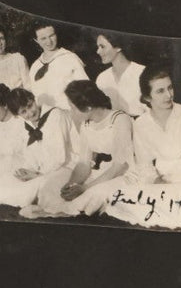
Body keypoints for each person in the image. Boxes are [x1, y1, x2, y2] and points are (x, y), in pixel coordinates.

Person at [105, 66, 181, 230]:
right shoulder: (141, 124)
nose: (169, 95)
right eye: (160, 91)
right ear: (148, 97)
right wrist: (161, 184)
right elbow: (144, 164)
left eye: (170, 87)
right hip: (163, 179)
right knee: (121, 200)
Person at [28, 80, 135, 219]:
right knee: (52, 184)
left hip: (121, 173)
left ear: (88, 107)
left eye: (73, 108)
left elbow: (120, 166)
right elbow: (84, 163)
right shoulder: (86, 125)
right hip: (99, 173)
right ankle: (54, 209)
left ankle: (62, 212)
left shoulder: (119, 119)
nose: (71, 112)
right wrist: (72, 184)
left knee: (94, 193)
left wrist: (85, 188)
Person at [0, 87, 72, 213]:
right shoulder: (28, 124)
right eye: (23, 112)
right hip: (44, 169)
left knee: (41, 186)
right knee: (7, 179)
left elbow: (59, 157)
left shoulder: (56, 115)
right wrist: (28, 170)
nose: (30, 113)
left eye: (30, 106)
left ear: (33, 99)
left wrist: (37, 175)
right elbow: (30, 153)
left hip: (65, 167)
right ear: (18, 115)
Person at [26, 22, 87, 110]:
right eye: (43, 38)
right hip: (46, 118)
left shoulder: (70, 58)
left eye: (51, 36)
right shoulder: (35, 66)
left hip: (69, 114)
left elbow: (85, 89)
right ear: (36, 40)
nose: (49, 41)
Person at [94, 33, 147, 117]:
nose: (98, 51)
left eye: (102, 47)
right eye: (98, 47)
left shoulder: (142, 72)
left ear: (118, 47)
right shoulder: (102, 78)